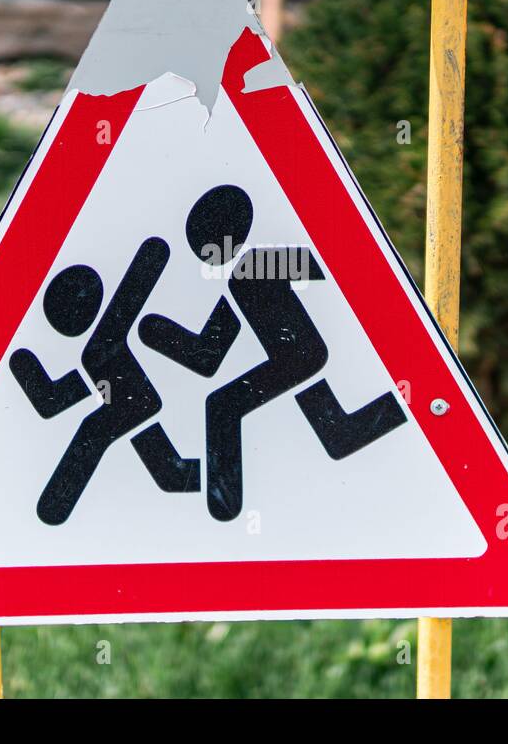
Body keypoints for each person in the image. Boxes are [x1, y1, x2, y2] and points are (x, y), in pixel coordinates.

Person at [140, 185, 407, 522]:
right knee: (336, 431)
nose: (202, 253)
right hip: (296, 360)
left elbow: (335, 270)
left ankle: (225, 501)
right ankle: (397, 409)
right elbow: (209, 353)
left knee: (223, 406)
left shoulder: (260, 262)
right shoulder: (241, 277)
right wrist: (157, 333)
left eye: (203, 242)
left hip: (300, 356)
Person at [10, 242, 198, 526]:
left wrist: (27, 369)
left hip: (132, 399)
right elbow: (56, 398)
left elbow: (144, 272)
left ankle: (53, 511)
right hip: (131, 399)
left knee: (100, 435)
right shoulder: (97, 345)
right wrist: (27, 370)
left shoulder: (100, 340)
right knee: (170, 470)